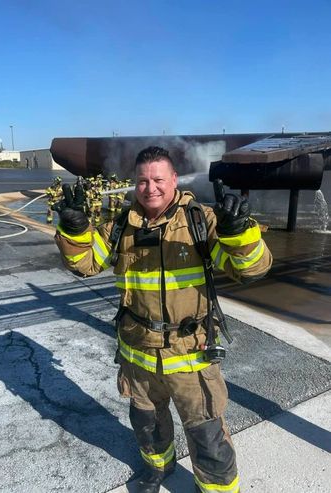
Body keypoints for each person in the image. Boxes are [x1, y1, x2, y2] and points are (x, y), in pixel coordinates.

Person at [54, 146, 272, 493]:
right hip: (138, 354)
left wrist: (239, 233)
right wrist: (75, 229)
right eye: (142, 180)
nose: (150, 188)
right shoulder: (121, 226)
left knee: (206, 435)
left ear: (173, 180)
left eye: (158, 179)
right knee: (147, 423)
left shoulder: (201, 221)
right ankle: (158, 469)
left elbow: (252, 269)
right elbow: (85, 264)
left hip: (190, 356)